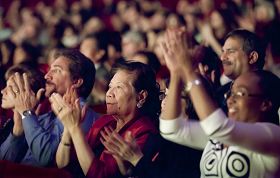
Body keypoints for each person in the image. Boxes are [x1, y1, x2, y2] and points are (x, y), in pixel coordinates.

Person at [160, 27, 280, 178]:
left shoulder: (272, 135)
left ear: (265, 104)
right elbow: (171, 129)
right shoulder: (219, 137)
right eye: (231, 93)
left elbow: (218, 126)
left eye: (240, 93)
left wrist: (188, 71)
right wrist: (176, 72)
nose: (230, 100)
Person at [53, 61, 161, 178]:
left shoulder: (144, 132)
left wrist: (75, 129)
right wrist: (69, 128)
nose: (109, 93)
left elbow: (100, 176)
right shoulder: (106, 121)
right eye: (110, 86)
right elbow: (63, 164)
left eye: (119, 87)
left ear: (141, 97)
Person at [0, 49, 99, 167]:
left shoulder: (83, 114)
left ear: (76, 81)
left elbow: (46, 158)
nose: (47, 76)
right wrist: (18, 128)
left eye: (56, 70)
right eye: (49, 70)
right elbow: (5, 162)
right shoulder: (44, 117)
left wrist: (26, 112)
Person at [216, 28, 266, 112]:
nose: (222, 57)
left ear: (252, 57)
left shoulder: (269, 90)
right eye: (223, 51)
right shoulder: (221, 91)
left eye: (230, 51)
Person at [0, 64, 45, 145]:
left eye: (10, 87)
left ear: (27, 93)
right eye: (6, 86)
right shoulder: (8, 122)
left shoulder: (38, 127)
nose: (3, 91)